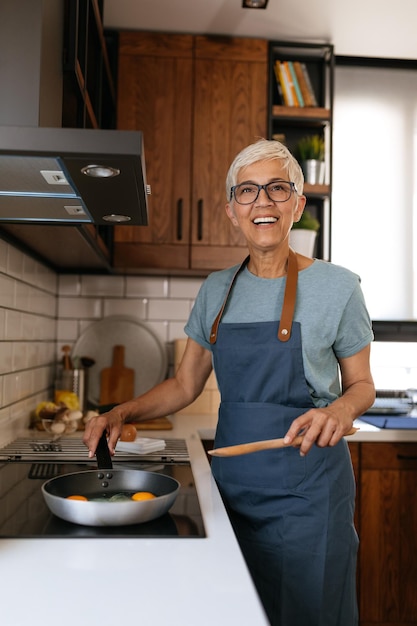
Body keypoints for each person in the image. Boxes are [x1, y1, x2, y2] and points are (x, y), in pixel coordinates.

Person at [83, 139, 375, 626]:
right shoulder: (217, 290)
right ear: (231, 210)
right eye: (248, 191)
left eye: (277, 189)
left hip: (309, 501)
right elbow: (184, 384)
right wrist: (120, 412)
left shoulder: (339, 287)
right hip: (231, 498)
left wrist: (338, 411)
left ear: (298, 205)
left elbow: (362, 384)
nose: (262, 201)